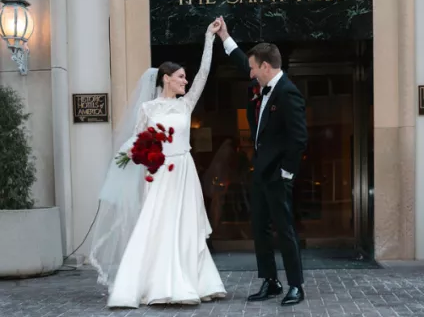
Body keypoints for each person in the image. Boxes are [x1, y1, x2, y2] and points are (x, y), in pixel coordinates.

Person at [89, 19, 226, 308]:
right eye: (181, 77)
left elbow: (204, 73)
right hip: (159, 174)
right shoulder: (148, 109)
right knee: (157, 226)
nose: (185, 81)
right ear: (166, 78)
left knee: (185, 227)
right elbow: (137, 141)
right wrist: (133, 156)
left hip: (184, 172)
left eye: (185, 78)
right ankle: (152, 283)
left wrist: (209, 39)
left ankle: (194, 282)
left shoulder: (186, 104)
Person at [216, 17, 308, 306]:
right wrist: (225, 37)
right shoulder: (262, 83)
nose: (251, 73)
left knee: (285, 230)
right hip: (260, 172)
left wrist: (287, 173)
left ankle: (296, 285)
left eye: (255, 68)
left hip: (278, 175)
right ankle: (271, 281)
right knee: (260, 229)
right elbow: (242, 62)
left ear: (266, 67)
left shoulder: (288, 92)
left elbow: (299, 138)